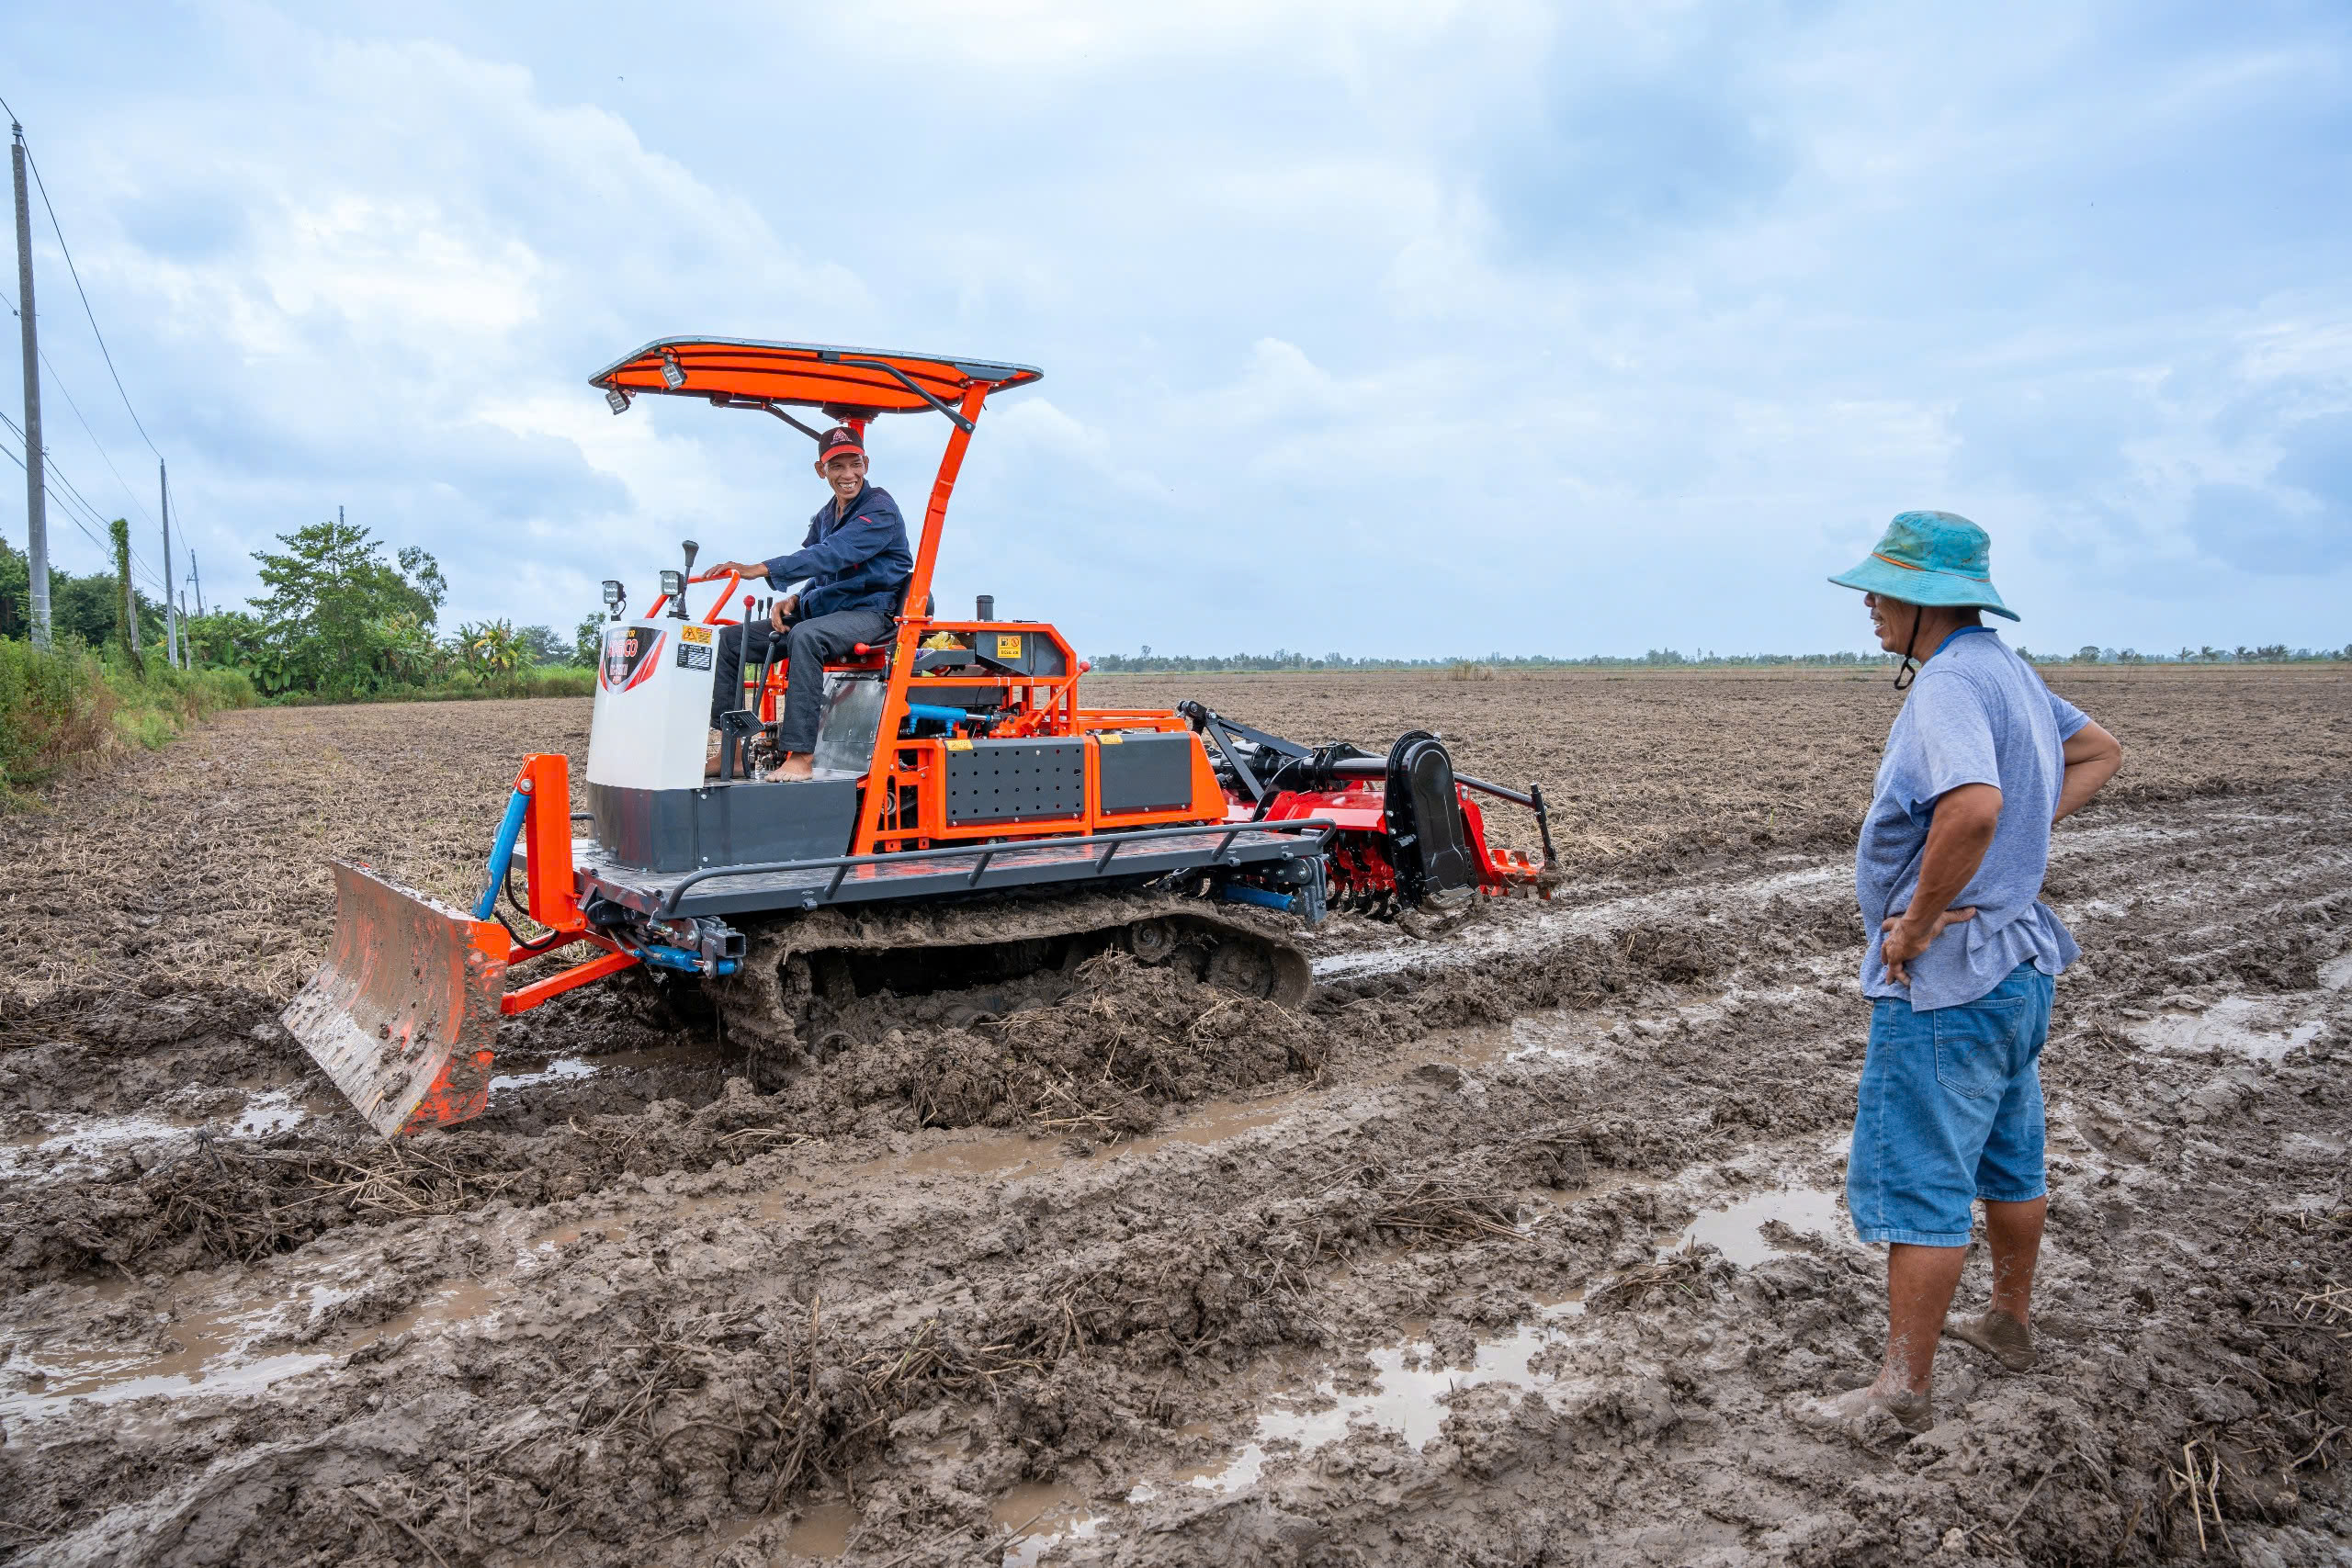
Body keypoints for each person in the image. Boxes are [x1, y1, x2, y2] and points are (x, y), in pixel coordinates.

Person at [1795, 510, 2123, 1443]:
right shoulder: (2007, 671)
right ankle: (2008, 1322)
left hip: (1951, 976)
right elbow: (2099, 750)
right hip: (2021, 962)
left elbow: (1972, 808)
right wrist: (2026, 838)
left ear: (1922, 600)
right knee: (2010, 1155)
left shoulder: (1945, 685)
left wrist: (1922, 920)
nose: (1867, 600)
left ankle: (1899, 1390)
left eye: (1881, 587)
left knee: (1921, 1181)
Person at [705, 425, 911, 781]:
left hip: (871, 613)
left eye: (855, 464)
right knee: (730, 641)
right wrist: (796, 597)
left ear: (866, 463)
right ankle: (732, 753)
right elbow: (821, 565)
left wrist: (762, 569)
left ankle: (800, 757)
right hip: (829, 610)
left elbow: (832, 555)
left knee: (806, 637)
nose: (848, 475)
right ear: (822, 471)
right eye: (837, 467)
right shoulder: (827, 515)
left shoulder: (880, 510)